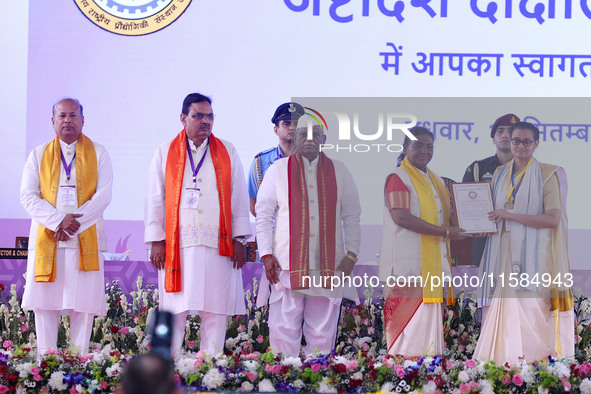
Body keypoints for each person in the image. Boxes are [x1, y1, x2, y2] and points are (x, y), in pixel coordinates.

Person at [144, 93, 251, 358]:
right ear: (183, 119)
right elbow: (155, 198)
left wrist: (240, 240)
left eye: (210, 116)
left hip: (218, 246)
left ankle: (210, 366)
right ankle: (166, 369)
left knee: (215, 310)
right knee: (175, 310)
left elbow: (238, 196)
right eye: (199, 116)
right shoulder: (164, 151)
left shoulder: (228, 150)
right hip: (177, 246)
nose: (206, 121)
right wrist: (157, 239)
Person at [255, 116, 361, 357]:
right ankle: (282, 377)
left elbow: (352, 216)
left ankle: (319, 377)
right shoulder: (277, 170)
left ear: (324, 139)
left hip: (329, 264)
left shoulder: (340, 171)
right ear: (295, 137)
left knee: (323, 328)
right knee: (283, 325)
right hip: (286, 263)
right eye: (303, 134)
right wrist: (266, 254)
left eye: (316, 134)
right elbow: (263, 215)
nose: (309, 139)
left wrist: (352, 254)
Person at [474, 121, 574, 364]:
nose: (520, 145)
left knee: (531, 314)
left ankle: (532, 371)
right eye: (516, 140)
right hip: (500, 256)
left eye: (526, 141)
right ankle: (500, 371)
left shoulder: (548, 174)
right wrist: (481, 226)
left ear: (536, 144)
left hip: (533, 261)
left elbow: (552, 219)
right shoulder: (499, 174)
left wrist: (510, 215)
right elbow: (492, 214)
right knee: (501, 317)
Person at [20, 98, 113, 357]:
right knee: (45, 305)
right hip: (49, 238)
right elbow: (28, 196)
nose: (67, 120)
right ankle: (46, 363)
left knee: (82, 306)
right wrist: (59, 221)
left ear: (83, 120)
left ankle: (80, 365)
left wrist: (74, 224)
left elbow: (103, 196)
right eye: (62, 116)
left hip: (84, 238)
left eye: (73, 115)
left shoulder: (99, 152)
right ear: (53, 121)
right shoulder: (38, 154)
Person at [379, 126, 467, 357]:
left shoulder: (435, 180)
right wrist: (446, 232)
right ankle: (405, 381)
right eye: (417, 145)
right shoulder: (398, 177)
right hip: (407, 270)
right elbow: (401, 217)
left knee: (428, 332)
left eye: (429, 146)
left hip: (431, 270)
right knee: (408, 332)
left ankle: (427, 380)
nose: (424, 150)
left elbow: (447, 216)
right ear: (405, 147)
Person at [462, 113, 520, 266]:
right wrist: (476, 225)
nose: (505, 135)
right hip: (485, 239)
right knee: (483, 287)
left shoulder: (531, 170)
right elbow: (465, 206)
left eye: (511, 131)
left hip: (519, 238)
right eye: (500, 131)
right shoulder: (477, 168)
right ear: (493, 138)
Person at [247, 102, 305, 216]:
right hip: (272, 228)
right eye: (286, 123)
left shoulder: (315, 159)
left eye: (297, 124)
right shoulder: (260, 161)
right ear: (276, 130)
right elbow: (254, 206)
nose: (292, 127)